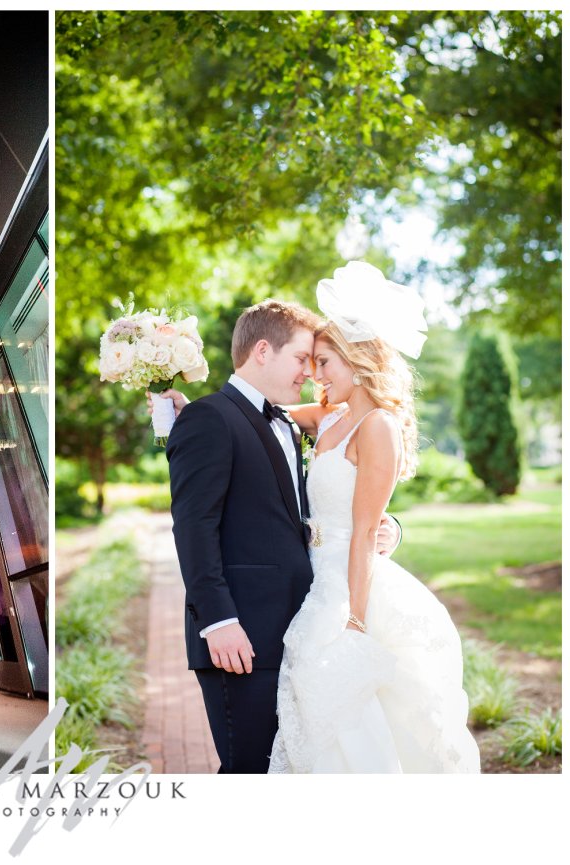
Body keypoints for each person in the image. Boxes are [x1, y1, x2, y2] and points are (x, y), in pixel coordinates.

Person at [163, 295, 400, 773]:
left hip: (301, 625)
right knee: (248, 770)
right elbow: (194, 526)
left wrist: (386, 526)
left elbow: (316, 508)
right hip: (241, 634)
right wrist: (217, 620)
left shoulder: (291, 425)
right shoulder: (211, 418)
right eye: (301, 358)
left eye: (317, 362)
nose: (309, 373)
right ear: (264, 351)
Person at [264, 262, 479, 772]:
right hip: (316, 574)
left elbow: (365, 531)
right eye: (311, 363)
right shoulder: (330, 416)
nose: (314, 375)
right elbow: (257, 411)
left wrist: (356, 622)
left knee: (353, 714)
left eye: (323, 362)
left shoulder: (377, 426)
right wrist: (186, 405)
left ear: (357, 360)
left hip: (349, 586)